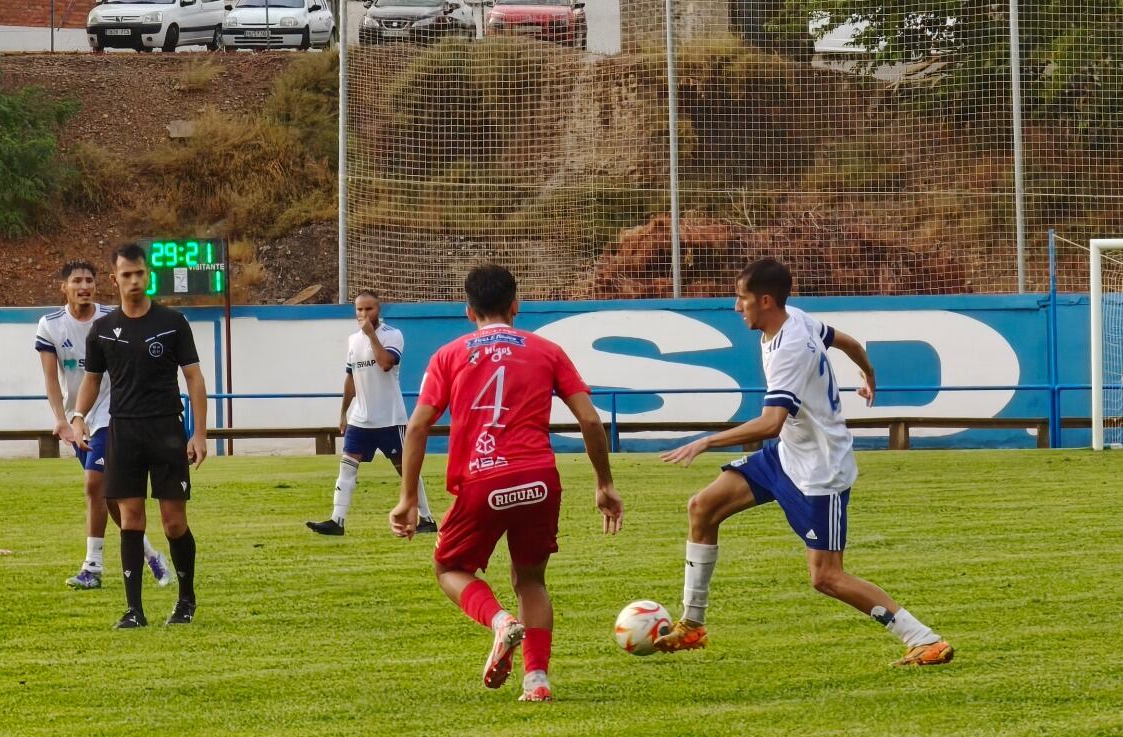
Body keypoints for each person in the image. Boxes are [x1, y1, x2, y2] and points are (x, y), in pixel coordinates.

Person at [656, 257, 953, 667]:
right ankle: (693, 625)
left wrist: (708, 441)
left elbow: (770, 422)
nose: (735, 307)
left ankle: (924, 639)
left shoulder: (790, 348)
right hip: (785, 456)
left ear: (764, 301)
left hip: (819, 471)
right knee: (702, 507)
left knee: (826, 577)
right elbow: (848, 342)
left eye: (741, 299)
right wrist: (869, 375)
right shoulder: (796, 318)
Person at [389, 263, 622, 702]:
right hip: (538, 479)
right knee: (530, 579)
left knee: (449, 568)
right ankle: (537, 681)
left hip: (482, 479)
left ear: (468, 311)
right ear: (516, 305)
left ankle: (499, 621)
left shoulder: (449, 355)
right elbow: (590, 419)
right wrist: (604, 484)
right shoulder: (547, 350)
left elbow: (418, 427)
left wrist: (407, 499)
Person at [69, 243, 209, 628]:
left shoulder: (173, 322)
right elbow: (92, 380)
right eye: (126, 275)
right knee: (131, 520)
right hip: (123, 431)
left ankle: (186, 601)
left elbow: (194, 378)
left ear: (148, 276)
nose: (134, 280)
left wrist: (199, 434)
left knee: (173, 522)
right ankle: (135, 610)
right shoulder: (102, 330)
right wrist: (78, 416)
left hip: (166, 430)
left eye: (140, 273)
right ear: (114, 280)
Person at [38, 260, 172, 590]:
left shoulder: (114, 319)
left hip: (114, 415)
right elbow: (52, 380)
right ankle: (150, 555)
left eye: (89, 281)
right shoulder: (50, 325)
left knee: (93, 485)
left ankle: (92, 568)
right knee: (112, 497)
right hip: (78, 420)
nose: (84, 286)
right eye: (77, 281)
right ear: (64, 287)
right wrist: (62, 420)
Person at [307, 291, 436, 536]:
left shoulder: (393, 335)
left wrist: (370, 335)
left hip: (390, 418)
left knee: (406, 470)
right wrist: (344, 412)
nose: (364, 314)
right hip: (361, 418)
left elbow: (386, 363)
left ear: (379, 310)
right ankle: (337, 520)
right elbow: (350, 377)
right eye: (359, 310)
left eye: (369, 309)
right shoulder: (353, 340)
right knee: (347, 466)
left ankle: (427, 518)